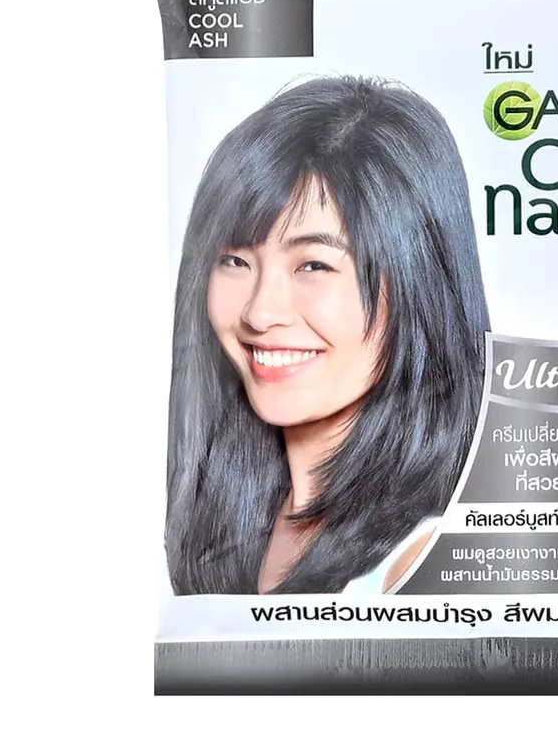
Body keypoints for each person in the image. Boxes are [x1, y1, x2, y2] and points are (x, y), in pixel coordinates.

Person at [165, 76, 490, 594]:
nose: (260, 312)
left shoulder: (427, 555)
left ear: (418, 282)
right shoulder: (215, 524)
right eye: (235, 261)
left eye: (313, 264)